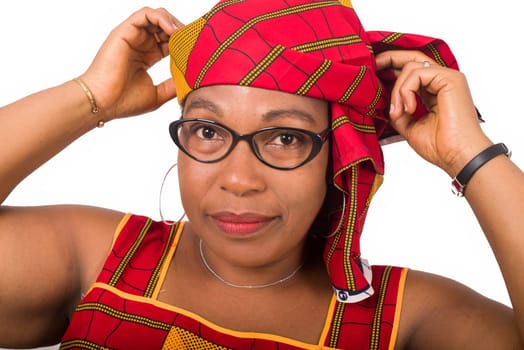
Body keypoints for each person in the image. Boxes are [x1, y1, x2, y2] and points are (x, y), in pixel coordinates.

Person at [0, 1, 522, 349]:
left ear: (337, 156)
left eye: (286, 138)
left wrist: (469, 154)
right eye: (207, 130)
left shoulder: (406, 320)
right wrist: (93, 97)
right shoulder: (101, 260)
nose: (238, 179)